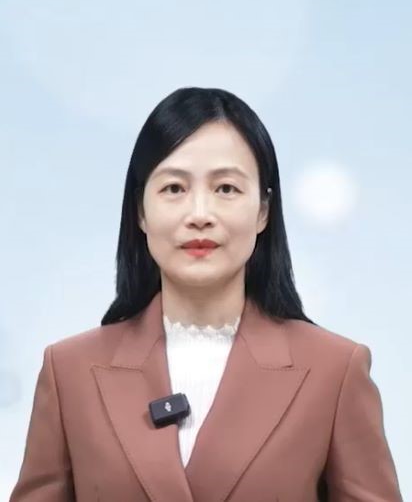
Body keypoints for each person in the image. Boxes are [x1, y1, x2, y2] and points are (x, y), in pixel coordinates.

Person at [9, 87, 403, 502]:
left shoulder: (335, 371)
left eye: (226, 188)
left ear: (263, 210)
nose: (200, 214)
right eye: (174, 188)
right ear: (140, 210)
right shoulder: (69, 371)